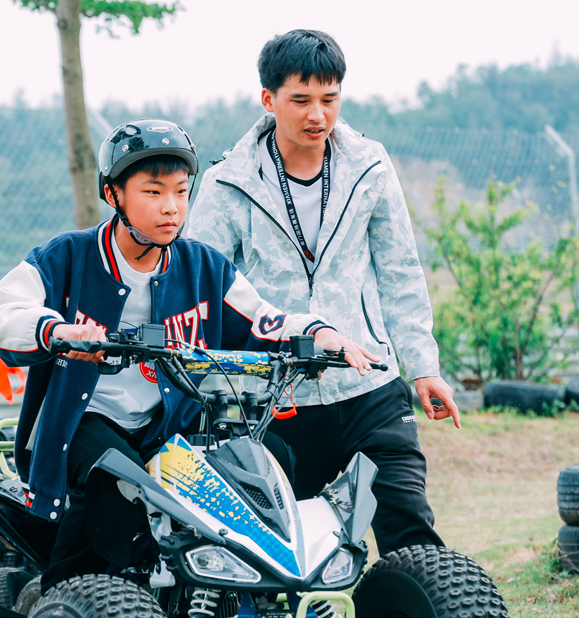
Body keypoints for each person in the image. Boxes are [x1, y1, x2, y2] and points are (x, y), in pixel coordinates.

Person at [0, 118, 378, 589]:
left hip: (171, 425)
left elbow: (264, 320)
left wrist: (319, 333)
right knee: (115, 479)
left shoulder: (202, 266)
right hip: (88, 421)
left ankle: (233, 594)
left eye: (181, 192)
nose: (171, 207)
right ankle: (62, 600)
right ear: (113, 194)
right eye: (153, 192)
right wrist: (58, 330)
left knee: (268, 455)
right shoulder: (68, 256)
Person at [188, 30, 460, 556]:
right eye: (301, 100)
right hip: (277, 396)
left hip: (369, 383)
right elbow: (201, 288)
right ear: (268, 100)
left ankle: (418, 609)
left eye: (329, 99)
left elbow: (400, 271)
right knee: (278, 552)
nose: (318, 115)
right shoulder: (226, 183)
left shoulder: (370, 166)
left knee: (409, 526)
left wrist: (423, 367)